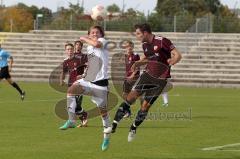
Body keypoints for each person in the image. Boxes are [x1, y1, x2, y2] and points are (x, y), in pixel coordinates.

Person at [111, 23, 182, 142]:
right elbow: (147, 57)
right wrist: (138, 63)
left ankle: (133, 127)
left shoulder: (162, 41)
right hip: (147, 76)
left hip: (160, 80)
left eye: (138, 34)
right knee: (130, 98)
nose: (137, 36)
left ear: (145, 33)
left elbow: (178, 55)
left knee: (145, 106)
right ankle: (113, 125)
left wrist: (172, 61)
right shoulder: (145, 44)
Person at [59, 25, 112, 151]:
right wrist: (83, 74)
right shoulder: (89, 47)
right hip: (89, 80)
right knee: (71, 90)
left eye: (97, 32)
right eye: (92, 32)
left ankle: (106, 137)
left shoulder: (103, 42)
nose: (94, 34)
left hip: (100, 84)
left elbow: (97, 44)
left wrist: (84, 37)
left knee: (103, 113)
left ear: (101, 34)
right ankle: (71, 120)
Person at [60, 42, 88, 127]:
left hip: (80, 84)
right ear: (65, 51)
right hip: (70, 84)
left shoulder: (80, 59)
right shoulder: (65, 61)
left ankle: (80, 118)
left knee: (74, 105)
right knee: (74, 106)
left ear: (73, 50)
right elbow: (64, 71)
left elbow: (88, 67)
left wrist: (83, 75)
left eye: (71, 49)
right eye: (68, 49)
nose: (70, 51)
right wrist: (61, 80)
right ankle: (83, 117)